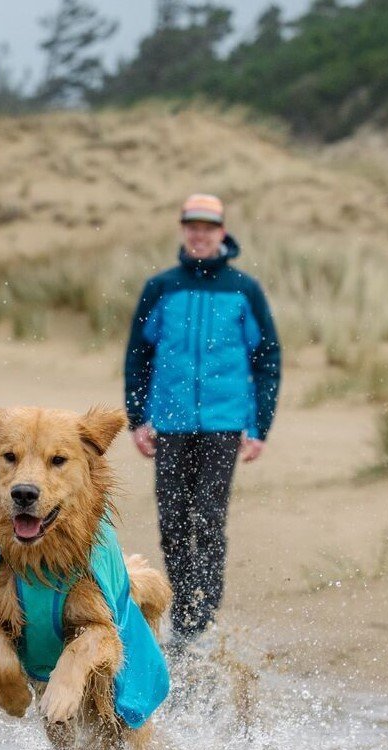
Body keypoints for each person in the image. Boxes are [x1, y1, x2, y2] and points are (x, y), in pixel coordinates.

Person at [124, 194, 281, 647]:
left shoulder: (244, 290)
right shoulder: (161, 287)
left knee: (209, 518)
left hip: (223, 423)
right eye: (192, 226)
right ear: (183, 230)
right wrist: (138, 418)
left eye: (208, 228)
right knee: (172, 521)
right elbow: (138, 355)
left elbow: (267, 359)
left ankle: (203, 617)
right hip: (170, 424)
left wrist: (259, 426)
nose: (199, 234)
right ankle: (184, 610)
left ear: (221, 233)